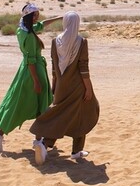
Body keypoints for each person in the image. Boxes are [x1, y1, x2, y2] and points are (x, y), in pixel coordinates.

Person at [0, 3, 61, 154]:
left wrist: (58, 18)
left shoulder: (24, 29)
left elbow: (41, 25)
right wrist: (36, 81)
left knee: (18, 102)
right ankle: (39, 140)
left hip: (26, 71)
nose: (37, 18)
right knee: (42, 104)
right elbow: (30, 60)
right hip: (33, 72)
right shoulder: (28, 35)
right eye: (34, 15)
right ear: (28, 17)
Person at [30, 11, 99, 165]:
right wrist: (88, 89)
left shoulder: (55, 42)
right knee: (82, 116)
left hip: (61, 85)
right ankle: (76, 151)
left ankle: (45, 143)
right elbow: (83, 69)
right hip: (77, 87)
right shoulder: (81, 42)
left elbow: (54, 67)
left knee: (60, 116)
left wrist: (55, 86)